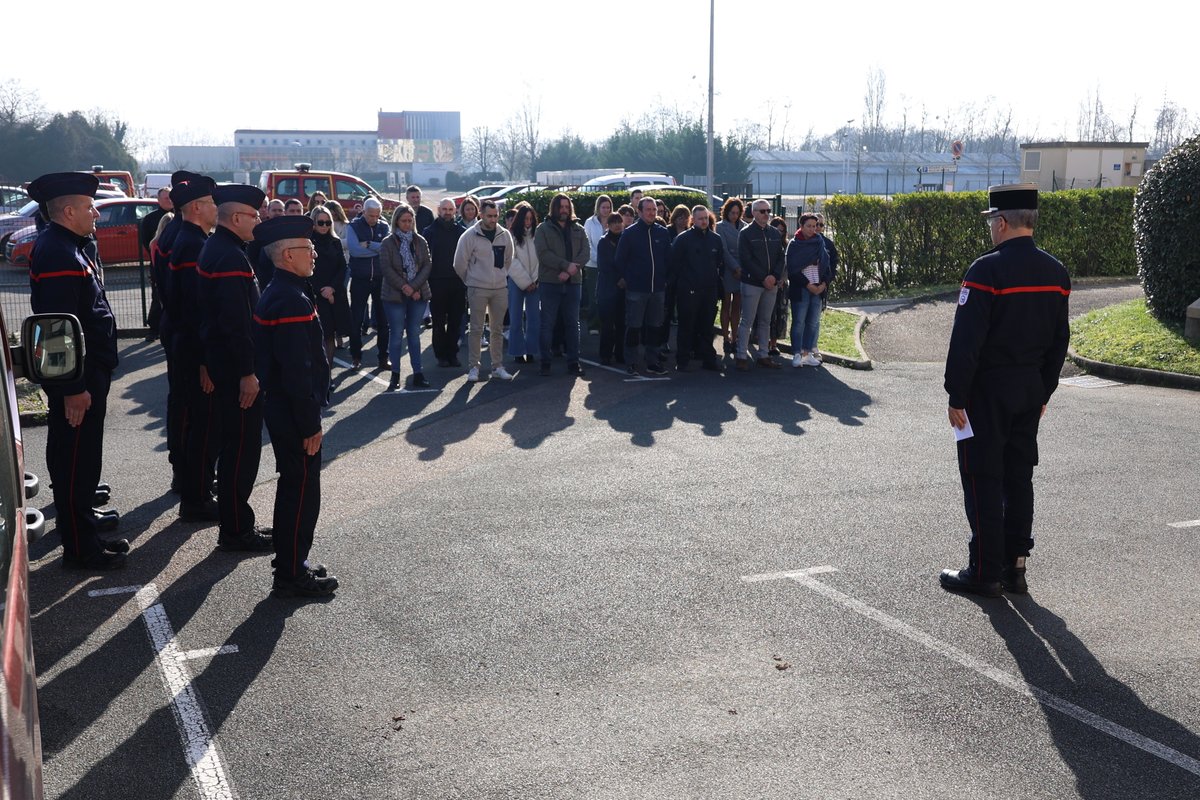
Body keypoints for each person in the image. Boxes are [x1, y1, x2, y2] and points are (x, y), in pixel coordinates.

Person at [940, 184, 1071, 598]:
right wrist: (1043, 391)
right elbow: (1059, 342)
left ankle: (984, 571)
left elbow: (967, 341)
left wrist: (956, 395)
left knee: (983, 477)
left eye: (991, 222)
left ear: (1000, 222)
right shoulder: (1056, 272)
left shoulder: (986, 270)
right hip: (1030, 388)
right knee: (1019, 478)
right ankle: (1016, 566)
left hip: (987, 392)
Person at [27, 172, 127, 569]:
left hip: (84, 372)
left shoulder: (68, 245)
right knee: (75, 460)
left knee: (80, 457)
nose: (96, 214)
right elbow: (56, 327)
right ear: (68, 211)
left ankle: (83, 525)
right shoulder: (58, 252)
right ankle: (81, 547)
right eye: (89, 207)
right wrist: (73, 387)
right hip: (78, 376)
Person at [252, 215, 339, 598]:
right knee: (300, 492)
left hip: (284, 407)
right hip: (292, 411)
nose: (314, 253)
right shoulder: (288, 298)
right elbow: (297, 371)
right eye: (307, 248)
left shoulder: (285, 290)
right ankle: (290, 573)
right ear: (288, 255)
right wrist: (310, 424)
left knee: (295, 487)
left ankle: (292, 562)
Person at [197, 184, 274, 553]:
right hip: (234, 369)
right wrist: (247, 372)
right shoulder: (229, 257)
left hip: (223, 363)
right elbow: (235, 323)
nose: (258, 221)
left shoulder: (221, 248)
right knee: (241, 451)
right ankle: (236, 530)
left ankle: (236, 523)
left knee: (235, 447)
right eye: (254, 216)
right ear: (238, 218)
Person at [167, 174, 223, 520]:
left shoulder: (192, 239)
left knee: (201, 424)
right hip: (194, 350)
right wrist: (205, 361)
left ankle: (198, 491)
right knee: (203, 426)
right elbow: (194, 309)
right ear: (197, 208)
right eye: (213, 203)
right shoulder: (192, 244)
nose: (217, 209)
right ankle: (196, 498)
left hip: (188, 347)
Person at [453, 199, 514, 381]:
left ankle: (497, 366)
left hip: (499, 288)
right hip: (477, 288)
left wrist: (500, 276)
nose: (493, 219)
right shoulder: (469, 236)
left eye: (496, 216)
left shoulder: (505, 235)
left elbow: (508, 260)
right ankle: (474, 367)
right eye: (489, 216)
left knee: (497, 329)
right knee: (476, 329)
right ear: (481, 214)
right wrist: (471, 280)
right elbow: (459, 263)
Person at [534, 193, 589, 377]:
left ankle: (574, 362)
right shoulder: (543, 229)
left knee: (573, 324)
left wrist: (571, 271)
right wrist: (565, 266)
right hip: (550, 282)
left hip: (573, 283)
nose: (564, 210)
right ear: (554, 208)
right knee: (547, 324)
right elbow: (543, 254)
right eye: (561, 207)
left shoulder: (579, 229)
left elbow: (585, 252)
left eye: (567, 207)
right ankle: (545, 363)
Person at [615, 196, 671, 376]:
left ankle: (652, 362)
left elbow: (668, 259)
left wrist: (664, 279)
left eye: (654, 210)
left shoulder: (662, 233)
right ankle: (631, 362)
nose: (652, 213)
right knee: (634, 327)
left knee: (655, 327)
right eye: (648, 210)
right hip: (636, 290)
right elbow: (620, 260)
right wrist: (628, 279)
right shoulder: (629, 233)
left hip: (658, 289)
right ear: (639, 212)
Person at [380, 204, 433, 391]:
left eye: (410, 221)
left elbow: (427, 265)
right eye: (404, 221)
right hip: (394, 295)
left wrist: (414, 287)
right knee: (396, 335)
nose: (407, 224)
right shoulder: (387, 243)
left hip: (418, 294)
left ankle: (418, 373)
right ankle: (395, 374)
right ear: (396, 221)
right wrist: (406, 287)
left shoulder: (420, 241)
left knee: (414, 334)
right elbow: (386, 269)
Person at [667, 205, 724, 372]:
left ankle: (708, 359)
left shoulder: (716, 239)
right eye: (700, 219)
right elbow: (674, 265)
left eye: (706, 218)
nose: (704, 221)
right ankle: (682, 360)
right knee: (686, 326)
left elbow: (719, 263)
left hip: (709, 290)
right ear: (693, 219)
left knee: (707, 326)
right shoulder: (683, 239)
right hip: (688, 290)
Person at [735, 199, 785, 370]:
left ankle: (764, 355)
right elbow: (746, 259)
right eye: (762, 211)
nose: (766, 214)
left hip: (771, 284)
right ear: (754, 212)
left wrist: (774, 276)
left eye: (768, 211)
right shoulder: (746, 233)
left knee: (766, 321)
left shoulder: (774, 233)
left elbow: (781, 257)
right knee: (747, 320)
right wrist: (764, 277)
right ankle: (741, 355)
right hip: (752, 283)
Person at [345, 197, 390, 370]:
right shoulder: (353, 226)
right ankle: (356, 357)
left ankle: (383, 357)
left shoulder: (384, 226)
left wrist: (369, 244)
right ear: (363, 212)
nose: (374, 219)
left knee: (383, 321)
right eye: (371, 215)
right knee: (356, 320)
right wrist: (376, 249)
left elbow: (387, 249)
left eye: (377, 215)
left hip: (380, 279)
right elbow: (355, 251)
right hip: (360, 279)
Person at [424, 199, 468, 368]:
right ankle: (441, 355)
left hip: (458, 284)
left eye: (450, 209)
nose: (447, 212)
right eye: (444, 209)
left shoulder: (462, 232)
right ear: (438, 210)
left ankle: (453, 354)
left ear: (455, 211)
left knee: (455, 322)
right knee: (438, 323)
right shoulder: (429, 232)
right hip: (436, 284)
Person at [785, 213, 831, 368]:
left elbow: (826, 265)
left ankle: (807, 353)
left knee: (813, 322)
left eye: (815, 226)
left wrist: (823, 284)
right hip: (802, 288)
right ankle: (797, 354)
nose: (813, 229)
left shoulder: (819, 242)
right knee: (799, 322)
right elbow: (792, 269)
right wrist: (808, 285)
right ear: (801, 226)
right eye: (809, 226)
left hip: (818, 288)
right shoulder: (795, 244)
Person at [310, 206, 351, 366]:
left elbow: (342, 267)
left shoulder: (335, 242)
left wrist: (332, 288)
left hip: (335, 294)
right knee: (317, 336)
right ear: (314, 223)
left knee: (330, 336)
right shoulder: (308, 243)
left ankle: (327, 374)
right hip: (315, 294)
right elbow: (308, 270)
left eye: (328, 222)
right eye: (321, 222)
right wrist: (323, 291)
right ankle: (317, 373)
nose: (324, 226)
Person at [507, 203, 541, 365]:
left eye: (530, 219)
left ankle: (532, 350)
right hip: (516, 281)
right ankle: (517, 351)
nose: (528, 222)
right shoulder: (511, 235)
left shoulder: (538, 235)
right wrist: (526, 281)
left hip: (535, 282)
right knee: (515, 319)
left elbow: (541, 258)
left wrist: (534, 279)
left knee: (534, 318)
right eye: (525, 219)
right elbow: (510, 261)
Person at [715, 198, 747, 357]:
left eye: (737, 213)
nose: (734, 215)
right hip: (728, 269)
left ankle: (735, 338)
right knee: (726, 303)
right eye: (732, 212)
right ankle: (725, 338)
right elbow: (724, 250)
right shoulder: (720, 227)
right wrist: (735, 267)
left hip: (743, 269)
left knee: (737, 305)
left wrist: (742, 268)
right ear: (726, 212)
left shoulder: (745, 227)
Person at [594, 212, 626, 365]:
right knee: (607, 325)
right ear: (608, 225)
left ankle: (620, 353)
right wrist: (618, 279)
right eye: (613, 222)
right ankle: (605, 354)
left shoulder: (626, 239)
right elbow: (604, 265)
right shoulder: (603, 242)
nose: (617, 225)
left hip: (623, 289)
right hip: (607, 289)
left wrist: (625, 278)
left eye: (619, 222)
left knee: (622, 324)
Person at [768, 216, 790, 355]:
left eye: (782, 231)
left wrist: (783, 279)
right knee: (767, 315)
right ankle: (764, 342)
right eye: (777, 230)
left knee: (779, 315)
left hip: (782, 286)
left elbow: (789, 265)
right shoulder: (767, 243)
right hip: (769, 284)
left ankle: (774, 344)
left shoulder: (787, 245)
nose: (780, 233)